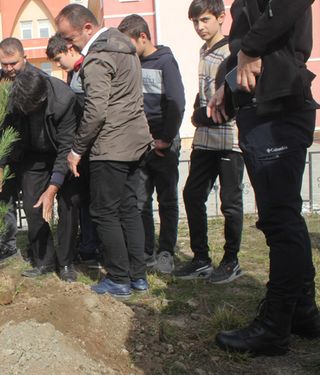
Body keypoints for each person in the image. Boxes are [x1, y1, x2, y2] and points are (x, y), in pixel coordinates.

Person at [209, 0, 320, 356]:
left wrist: (251, 50)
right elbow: (242, 43)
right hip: (264, 106)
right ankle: (301, 312)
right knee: (283, 218)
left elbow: (274, 21)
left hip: (278, 106)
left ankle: (275, 327)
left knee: (280, 220)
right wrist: (228, 79)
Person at [56, 4, 152, 298]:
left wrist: (76, 150)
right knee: (128, 209)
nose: (69, 45)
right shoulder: (125, 48)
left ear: (87, 28)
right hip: (136, 141)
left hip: (111, 146)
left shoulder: (98, 57)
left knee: (103, 212)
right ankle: (138, 276)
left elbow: (95, 112)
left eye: (70, 37)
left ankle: (119, 278)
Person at [174, 0, 245, 284]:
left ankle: (231, 260)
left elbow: (234, 98)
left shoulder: (233, 49)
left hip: (230, 140)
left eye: (204, 20)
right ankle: (201, 258)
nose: (200, 27)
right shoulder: (204, 50)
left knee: (230, 202)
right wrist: (198, 111)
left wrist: (204, 115)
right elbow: (205, 91)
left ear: (221, 17)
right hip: (204, 141)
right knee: (192, 195)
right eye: (195, 22)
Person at [118, 14, 185, 274]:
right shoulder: (132, 64)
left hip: (164, 144)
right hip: (141, 144)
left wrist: (166, 139)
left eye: (129, 44)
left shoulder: (166, 62)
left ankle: (165, 252)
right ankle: (146, 250)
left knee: (167, 201)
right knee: (140, 201)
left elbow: (177, 102)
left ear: (143, 37)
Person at [10, 70, 80, 282]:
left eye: (31, 107)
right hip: (33, 156)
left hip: (63, 154)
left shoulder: (64, 99)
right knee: (32, 204)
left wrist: (53, 188)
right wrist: (2, 163)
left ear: (42, 98)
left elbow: (67, 146)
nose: (26, 111)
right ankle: (44, 260)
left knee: (69, 204)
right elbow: (8, 133)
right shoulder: (15, 97)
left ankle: (67, 262)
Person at [0, 37, 47, 266]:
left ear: (24, 57)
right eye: (4, 64)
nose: (9, 69)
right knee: (3, 200)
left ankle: (37, 247)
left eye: (13, 63)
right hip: (3, 154)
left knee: (33, 204)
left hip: (31, 154)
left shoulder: (36, 78)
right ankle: (7, 245)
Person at [45, 34, 100, 267]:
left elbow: (92, 110)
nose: (58, 65)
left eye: (59, 59)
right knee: (80, 201)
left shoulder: (89, 68)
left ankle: (91, 247)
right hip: (79, 146)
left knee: (91, 202)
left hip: (90, 146)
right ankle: (86, 244)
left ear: (70, 49)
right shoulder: (72, 74)